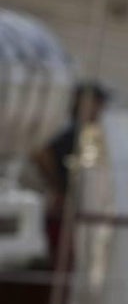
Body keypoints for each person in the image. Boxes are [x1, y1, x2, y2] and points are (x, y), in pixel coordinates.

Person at [33, 81, 110, 261]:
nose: (101, 109)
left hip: (75, 207)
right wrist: (57, 188)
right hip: (64, 210)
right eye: (98, 103)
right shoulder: (72, 131)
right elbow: (40, 153)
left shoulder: (86, 133)